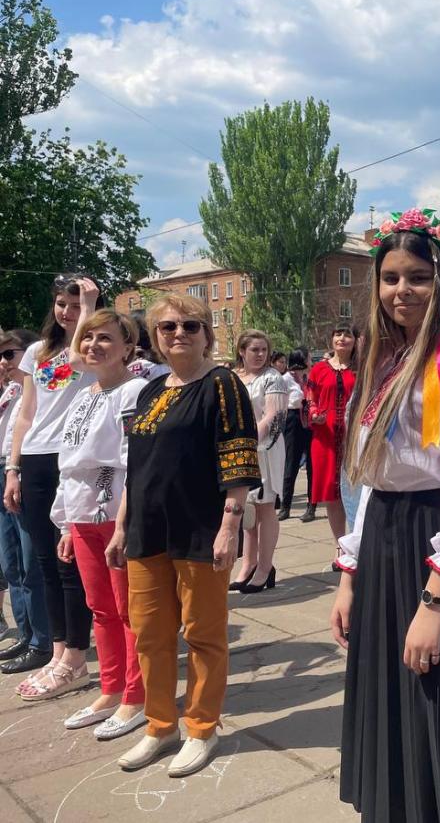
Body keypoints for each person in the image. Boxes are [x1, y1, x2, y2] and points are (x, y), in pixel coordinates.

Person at [329, 209, 440, 822]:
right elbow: (372, 481)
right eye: (390, 278)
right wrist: (350, 576)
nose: (401, 290)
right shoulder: (384, 360)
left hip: (437, 545)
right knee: (390, 703)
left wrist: (436, 602)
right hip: (384, 537)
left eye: (418, 277)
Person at [107, 292, 260, 776]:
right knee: (149, 634)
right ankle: (160, 726)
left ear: (207, 334)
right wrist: (121, 526)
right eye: (168, 327)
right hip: (147, 529)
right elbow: (136, 466)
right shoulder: (150, 391)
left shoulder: (223, 384)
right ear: (155, 337)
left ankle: (201, 727)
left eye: (190, 326)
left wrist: (229, 526)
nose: (179, 334)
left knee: (203, 634)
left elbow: (239, 457)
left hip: (200, 528)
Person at [50, 309, 148, 738]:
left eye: (105, 338)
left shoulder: (134, 391)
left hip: (115, 514)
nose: (93, 345)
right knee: (101, 609)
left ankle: (136, 695)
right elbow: (68, 463)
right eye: (88, 338)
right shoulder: (82, 394)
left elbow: (134, 461)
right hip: (81, 514)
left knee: (129, 610)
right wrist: (64, 523)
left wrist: (124, 525)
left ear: (128, 347)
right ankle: (111, 688)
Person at [3, 275, 100, 689]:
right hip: (36, 458)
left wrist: (90, 307)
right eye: (62, 304)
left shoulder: (91, 347)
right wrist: (13, 468)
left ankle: (76, 654)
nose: (67, 312)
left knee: (70, 561)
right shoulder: (37, 352)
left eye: (76, 305)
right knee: (44, 561)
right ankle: (58, 650)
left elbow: (78, 360)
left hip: (73, 458)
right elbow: (26, 414)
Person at [0, 328, 52, 671]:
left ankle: (42, 641)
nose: (4, 362)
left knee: (31, 563)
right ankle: (26, 632)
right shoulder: (11, 391)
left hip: (21, 470)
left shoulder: (39, 389)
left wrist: (14, 471)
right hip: (5, 471)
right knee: (12, 563)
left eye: (10, 354)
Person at [230, 330, 288, 593]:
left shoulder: (272, 378)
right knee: (248, 510)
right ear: (242, 351)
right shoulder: (233, 377)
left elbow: (273, 416)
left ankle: (265, 567)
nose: (260, 354)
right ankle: (248, 564)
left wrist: (251, 440)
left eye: (264, 349)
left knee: (265, 508)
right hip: (239, 449)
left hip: (264, 449)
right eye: (255, 349)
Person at [306, 326, 358, 561]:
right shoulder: (318, 369)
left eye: (347, 335)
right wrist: (314, 412)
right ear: (331, 339)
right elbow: (310, 398)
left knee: (355, 491)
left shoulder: (361, 369)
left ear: (355, 340)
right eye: (338, 334)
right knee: (331, 492)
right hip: (324, 439)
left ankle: (356, 541)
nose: (342, 338)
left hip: (353, 439)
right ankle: (339, 543)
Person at [278, 348, 313, 522]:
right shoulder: (285, 379)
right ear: (302, 360)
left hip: (310, 419)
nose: (311, 361)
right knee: (291, 464)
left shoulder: (310, 378)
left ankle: (311, 506)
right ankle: (285, 506)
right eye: (309, 358)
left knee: (312, 466)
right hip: (293, 420)